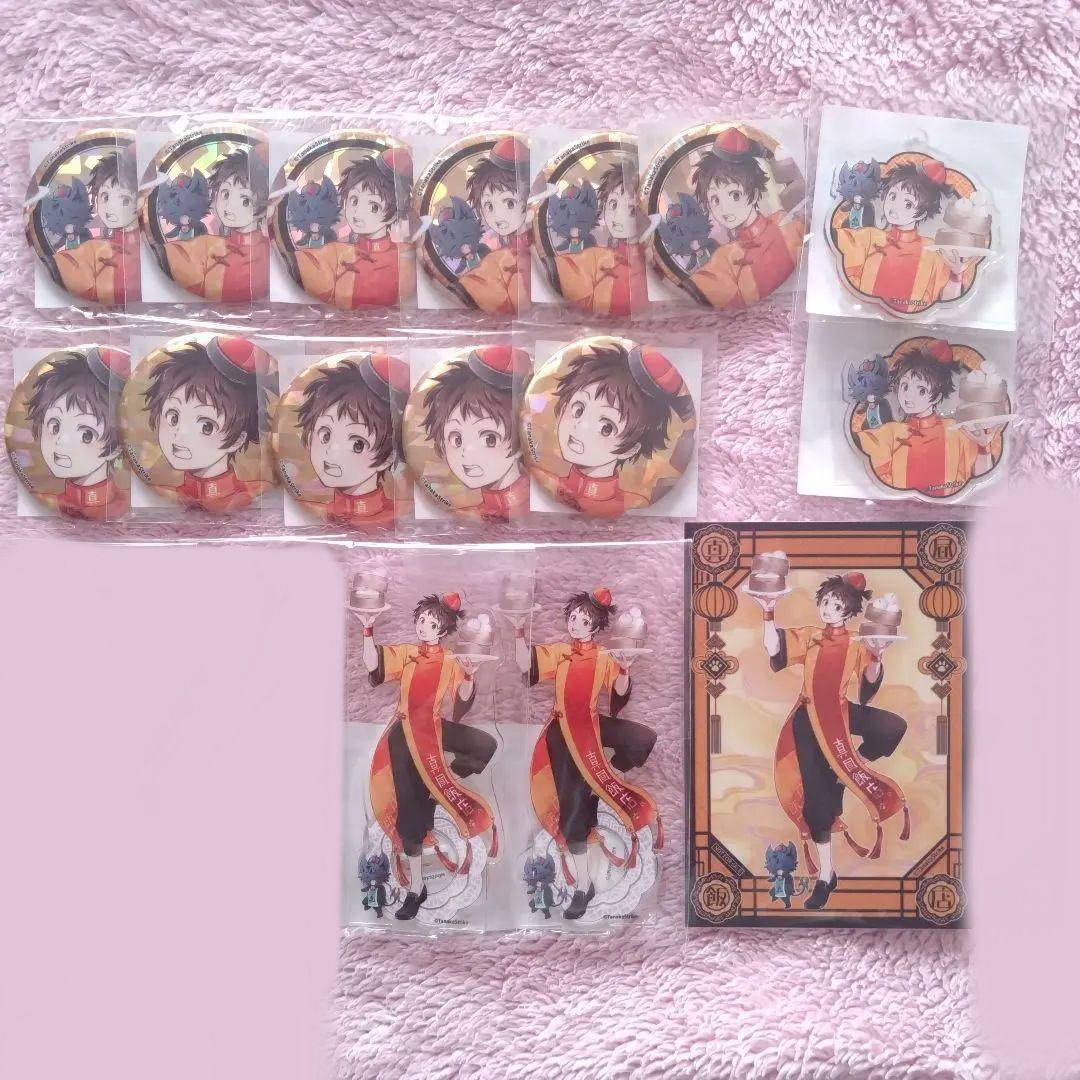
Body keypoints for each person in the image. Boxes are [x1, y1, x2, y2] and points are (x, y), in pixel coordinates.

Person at [752, 572, 909, 911]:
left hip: (840, 714)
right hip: (807, 721)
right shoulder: (810, 637)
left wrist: (877, 656)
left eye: (837, 606)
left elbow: (868, 683)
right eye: (825, 602)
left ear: (849, 611)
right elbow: (774, 649)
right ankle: (826, 875)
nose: (828, 609)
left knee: (892, 726)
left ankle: (845, 769)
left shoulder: (857, 643)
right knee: (817, 802)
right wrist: (768, 611)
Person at [509, 587, 661, 920]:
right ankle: (583, 885)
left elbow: (619, 693)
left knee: (643, 738)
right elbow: (525, 664)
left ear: (596, 625)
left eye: (584, 619)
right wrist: (519, 630)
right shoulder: (560, 653)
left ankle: (601, 778)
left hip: (591, 727)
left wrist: (625, 669)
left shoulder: (605, 657)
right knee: (572, 811)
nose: (576, 623)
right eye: (574, 617)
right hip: (562, 733)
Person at [355, 592, 498, 921]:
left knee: (485, 745)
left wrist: (470, 673)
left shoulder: (450, 661)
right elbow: (373, 665)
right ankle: (415, 887)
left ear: (444, 629)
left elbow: (462, 699)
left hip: (432, 730)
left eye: (432, 624)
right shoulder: (407, 655)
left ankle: (438, 786)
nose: (424, 627)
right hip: (403, 735)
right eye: (421, 620)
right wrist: (367, 628)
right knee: (410, 814)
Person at [549, 342, 693, 517]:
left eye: (606, 428)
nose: (580, 426)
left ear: (630, 449)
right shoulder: (549, 483)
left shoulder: (634, 502)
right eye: (579, 409)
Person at [853, 341, 999, 498]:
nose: (908, 396)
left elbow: (981, 481)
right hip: (900, 506)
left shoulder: (957, 431)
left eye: (921, 390)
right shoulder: (891, 433)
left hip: (949, 505)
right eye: (905, 386)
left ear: (937, 397)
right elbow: (858, 462)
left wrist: (984, 447)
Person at [833, 159, 978, 315]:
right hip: (860, 315)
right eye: (892, 196)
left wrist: (956, 275)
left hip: (914, 322)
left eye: (908, 204)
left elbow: (947, 302)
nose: (894, 206)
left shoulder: (933, 253)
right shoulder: (869, 236)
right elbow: (836, 243)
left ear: (921, 214)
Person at [143, 335, 269, 511]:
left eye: (206, 426)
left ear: (237, 440)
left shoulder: (252, 491)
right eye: (173, 418)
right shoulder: (170, 492)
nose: (181, 433)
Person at [684, 127, 804, 309]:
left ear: (754, 194)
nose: (724, 209)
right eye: (715, 199)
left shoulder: (788, 224)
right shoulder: (725, 258)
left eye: (735, 195)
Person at [419, 346, 530, 522]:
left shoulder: (536, 500)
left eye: (490, 439)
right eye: (457, 439)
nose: (467, 452)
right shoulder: (470, 511)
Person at [295, 354, 407, 527]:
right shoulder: (318, 509)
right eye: (325, 435)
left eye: (357, 444)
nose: (332, 451)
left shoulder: (398, 513)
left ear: (388, 458)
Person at [24, 346, 130, 520]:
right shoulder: (49, 502)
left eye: (86, 435)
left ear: (117, 447)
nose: (61, 441)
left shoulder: (125, 505)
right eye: (55, 426)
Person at [554, 162, 646, 317]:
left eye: (631, 209)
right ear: (604, 206)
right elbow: (570, 271)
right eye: (613, 204)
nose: (617, 216)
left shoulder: (650, 260)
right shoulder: (598, 256)